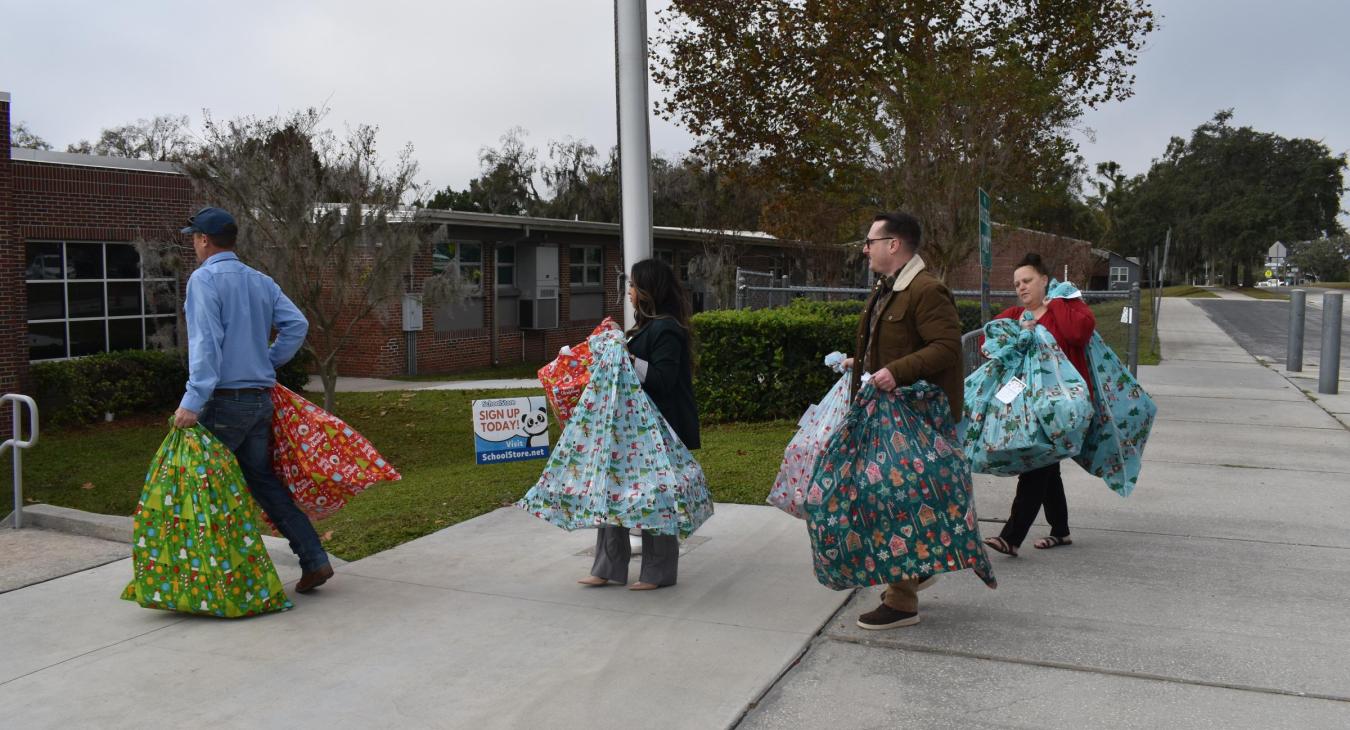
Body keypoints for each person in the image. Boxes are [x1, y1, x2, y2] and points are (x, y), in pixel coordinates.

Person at [172, 207, 333, 594]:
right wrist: (268, 360)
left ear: (204, 240)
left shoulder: (203, 280)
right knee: (263, 483)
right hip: (259, 401)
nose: (193, 244)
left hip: (222, 403)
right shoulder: (260, 280)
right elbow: (297, 325)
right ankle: (314, 558)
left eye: (194, 237)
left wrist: (192, 401)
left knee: (207, 488)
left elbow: (205, 344)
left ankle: (224, 579)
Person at [842, 212, 964, 629]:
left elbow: (947, 347)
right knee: (901, 502)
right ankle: (917, 568)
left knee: (890, 504)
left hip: (916, 418)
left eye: (870, 241)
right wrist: (863, 364)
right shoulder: (891, 289)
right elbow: (898, 344)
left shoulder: (926, 290)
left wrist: (897, 372)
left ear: (894, 244)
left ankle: (902, 600)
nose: (865, 248)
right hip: (892, 416)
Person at [579, 258, 700, 591]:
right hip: (632, 430)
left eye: (632, 285)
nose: (628, 292)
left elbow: (662, 380)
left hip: (659, 432)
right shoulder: (644, 329)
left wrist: (626, 356)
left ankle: (658, 572)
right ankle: (606, 567)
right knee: (613, 492)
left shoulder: (667, 329)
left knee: (655, 498)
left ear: (649, 291)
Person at [983, 253, 1096, 557]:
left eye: (1028, 280)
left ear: (1045, 280)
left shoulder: (1066, 308)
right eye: (1017, 283)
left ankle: (1012, 536)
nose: (1021, 287)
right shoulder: (1015, 314)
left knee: (1036, 465)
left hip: (1062, 407)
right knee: (1047, 466)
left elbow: (1078, 332)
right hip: (1027, 407)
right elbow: (990, 344)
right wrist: (1019, 331)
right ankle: (1060, 531)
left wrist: (1055, 303)